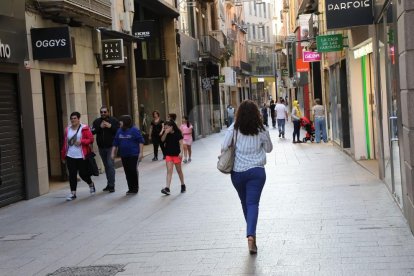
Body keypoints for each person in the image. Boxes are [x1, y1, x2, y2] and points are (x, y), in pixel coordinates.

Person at [221, 100, 273, 255]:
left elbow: (224, 147)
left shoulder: (233, 129)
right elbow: (269, 149)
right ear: (256, 113)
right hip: (257, 172)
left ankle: (251, 235)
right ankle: (251, 235)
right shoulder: (261, 129)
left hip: (238, 173)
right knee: (252, 204)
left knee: (245, 203)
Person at [61, 112, 95, 201]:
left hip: (81, 156)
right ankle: (73, 193)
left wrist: (81, 141)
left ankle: (91, 184)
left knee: (83, 174)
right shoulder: (67, 129)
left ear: (79, 119)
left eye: (75, 118)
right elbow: (65, 143)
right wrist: (63, 155)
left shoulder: (84, 128)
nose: (73, 120)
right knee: (72, 175)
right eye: (71, 118)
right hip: (70, 155)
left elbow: (91, 139)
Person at [111, 115, 144, 195]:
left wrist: (141, 153)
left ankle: (135, 188)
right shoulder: (119, 131)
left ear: (125, 122)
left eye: (121, 121)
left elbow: (141, 141)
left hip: (133, 154)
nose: (119, 123)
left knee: (133, 170)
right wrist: (113, 153)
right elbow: (115, 142)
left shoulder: (134, 130)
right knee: (127, 171)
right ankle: (130, 188)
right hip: (124, 155)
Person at [91, 106, 119, 193]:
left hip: (112, 147)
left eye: (104, 112)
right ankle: (109, 184)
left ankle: (111, 185)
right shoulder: (96, 121)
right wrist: (100, 127)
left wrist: (110, 126)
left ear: (108, 112)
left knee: (110, 165)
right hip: (101, 147)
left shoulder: (114, 120)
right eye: (101, 112)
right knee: (106, 166)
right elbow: (92, 131)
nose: (103, 113)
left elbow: (118, 131)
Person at [160, 120, 186, 195]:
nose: (166, 129)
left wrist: (181, 153)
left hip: (176, 155)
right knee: (169, 171)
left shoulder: (178, 133)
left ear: (171, 127)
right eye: (165, 128)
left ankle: (183, 185)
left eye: (167, 128)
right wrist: (165, 133)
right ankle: (167, 188)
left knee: (179, 171)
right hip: (168, 155)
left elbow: (181, 144)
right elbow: (162, 140)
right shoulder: (166, 134)